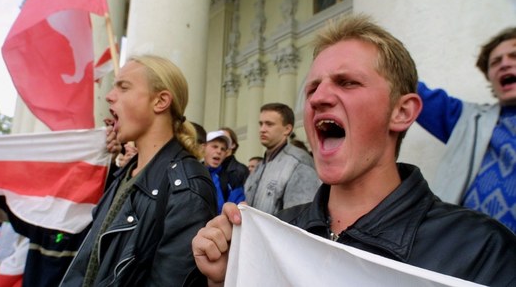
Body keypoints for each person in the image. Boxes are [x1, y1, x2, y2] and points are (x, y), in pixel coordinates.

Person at [189, 14, 516, 286]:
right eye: (313, 87)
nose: (317, 98)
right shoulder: (278, 230)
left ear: (402, 112)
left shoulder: (480, 250)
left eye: (347, 83)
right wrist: (227, 279)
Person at [60, 54, 217, 286]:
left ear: (160, 101)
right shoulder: (125, 174)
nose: (109, 96)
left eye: (124, 87)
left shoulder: (187, 187)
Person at [417, 27, 516, 233]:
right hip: (473, 253)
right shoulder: (467, 120)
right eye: (495, 62)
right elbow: (405, 86)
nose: (505, 64)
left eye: (514, 56)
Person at [243, 102, 321, 215]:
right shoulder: (260, 165)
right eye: (261, 124)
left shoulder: (299, 163)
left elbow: (298, 218)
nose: (262, 129)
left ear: (287, 129)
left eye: (269, 124)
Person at [203, 130, 246, 213]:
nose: (219, 151)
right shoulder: (192, 173)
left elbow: (238, 207)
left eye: (223, 149)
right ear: (204, 147)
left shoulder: (232, 180)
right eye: (215, 146)